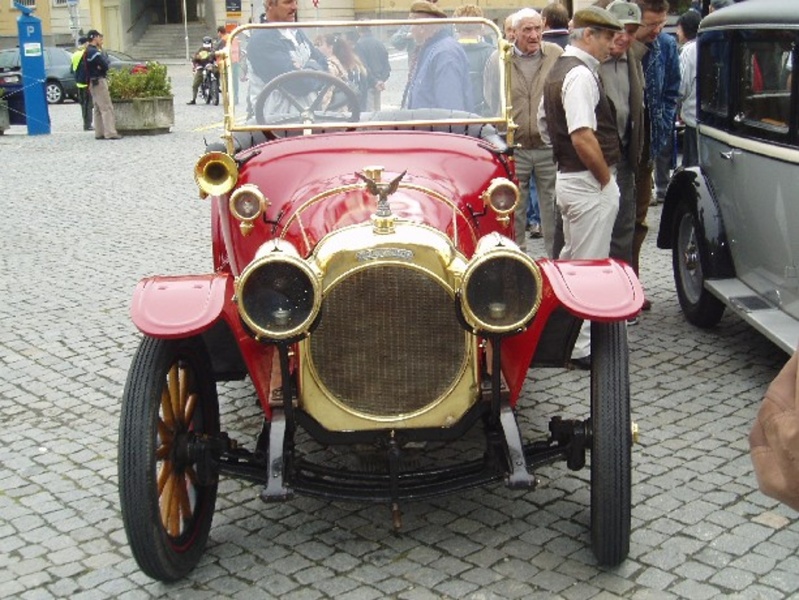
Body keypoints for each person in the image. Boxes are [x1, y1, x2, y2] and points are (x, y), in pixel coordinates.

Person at [539, 6, 623, 367]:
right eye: (607, 37)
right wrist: (605, 180)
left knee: (571, 262)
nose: (612, 44)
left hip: (571, 177)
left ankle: (558, 336)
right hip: (587, 182)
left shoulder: (559, 69)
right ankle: (580, 345)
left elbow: (544, 125)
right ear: (588, 35)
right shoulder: (580, 74)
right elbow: (582, 136)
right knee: (589, 266)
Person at [485, 8, 563, 255]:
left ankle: (554, 260)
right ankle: (517, 259)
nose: (534, 35)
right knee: (513, 206)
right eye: (527, 30)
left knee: (552, 206)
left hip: (547, 145)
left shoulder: (555, 54)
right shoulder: (499, 58)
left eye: (538, 28)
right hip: (514, 146)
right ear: (514, 32)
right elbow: (491, 97)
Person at [630, 0, 680, 309]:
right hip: (620, 145)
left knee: (638, 219)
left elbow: (672, 90)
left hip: (648, 143)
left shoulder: (666, 46)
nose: (657, 30)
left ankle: (633, 283)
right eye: (651, 24)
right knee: (616, 220)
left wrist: (662, 126)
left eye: (661, 23)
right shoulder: (622, 43)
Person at [599, 0, 646, 324]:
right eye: (618, 30)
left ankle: (621, 299)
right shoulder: (590, 63)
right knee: (592, 231)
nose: (624, 37)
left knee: (623, 231)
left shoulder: (634, 60)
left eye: (630, 31)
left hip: (626, 159)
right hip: (593, 161)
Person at [245, 0, 328, 115]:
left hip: (306, 114)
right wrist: (313, 67)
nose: (295, 7)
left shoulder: (296, 32)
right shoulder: (262, 40)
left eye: (295, 2)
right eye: (288, 2)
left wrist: (305, 68)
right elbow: (298, 84)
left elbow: (324, 63)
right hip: (277, 119)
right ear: (270, 5)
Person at [402, 1, 472, 112]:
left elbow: (450, 110)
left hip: (434, 123)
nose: (410, 30)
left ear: (422, 27)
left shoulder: (445, 53)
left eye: (411, 24)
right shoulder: (431, 49)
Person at [452, 4, 494, 114]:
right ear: (481, 26)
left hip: (454, 114)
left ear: (456, 27)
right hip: (484, 115)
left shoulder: (448, 52)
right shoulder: (492, 53)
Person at [85, 30, 121, 140]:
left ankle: (99, 132)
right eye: (99, 37)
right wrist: (102, 67)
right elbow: (105, 65)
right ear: (94, 38)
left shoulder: (87, 50)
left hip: (91, 81)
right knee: (106, 107)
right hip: (99, 80)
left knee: (97, 108)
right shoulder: (94, 52)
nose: (100, 39)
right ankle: (110, 132)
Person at [677, 9, 701, 167]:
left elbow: (681, 86)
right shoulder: (705, 44)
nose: (677, 33)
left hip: (692, 118)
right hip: (704, 119)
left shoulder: (688, 50)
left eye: (679, 28)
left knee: (692, 167)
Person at [353, 24, 391, 111]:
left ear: (358, 30)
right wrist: (381, 80)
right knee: (377, 112)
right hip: (379, 83)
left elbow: (363, 66)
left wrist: (375, 81)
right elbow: (386, 65)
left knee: (368, 113)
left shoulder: (359, 44)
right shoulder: (379, 43)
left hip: (367, 84)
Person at [71, 36, 92, 131]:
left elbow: (72, 69)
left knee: (83, 105)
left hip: (79, 82)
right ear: (86, 43)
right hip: (86, 83)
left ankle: (86, 124)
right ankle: (88, 125)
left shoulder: (75, 54)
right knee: (88, 105)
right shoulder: (84, 53)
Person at [187, 36, 217, 105]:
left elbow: (217, 57)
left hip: (210, 66)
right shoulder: (200, 50)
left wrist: (214, 58)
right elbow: (195, 58)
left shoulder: (213, 50)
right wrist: (197, 58)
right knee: (195, 84)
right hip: (201, 67)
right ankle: (194, 99)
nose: (207, 47)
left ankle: (217, 86)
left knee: (217, 73)